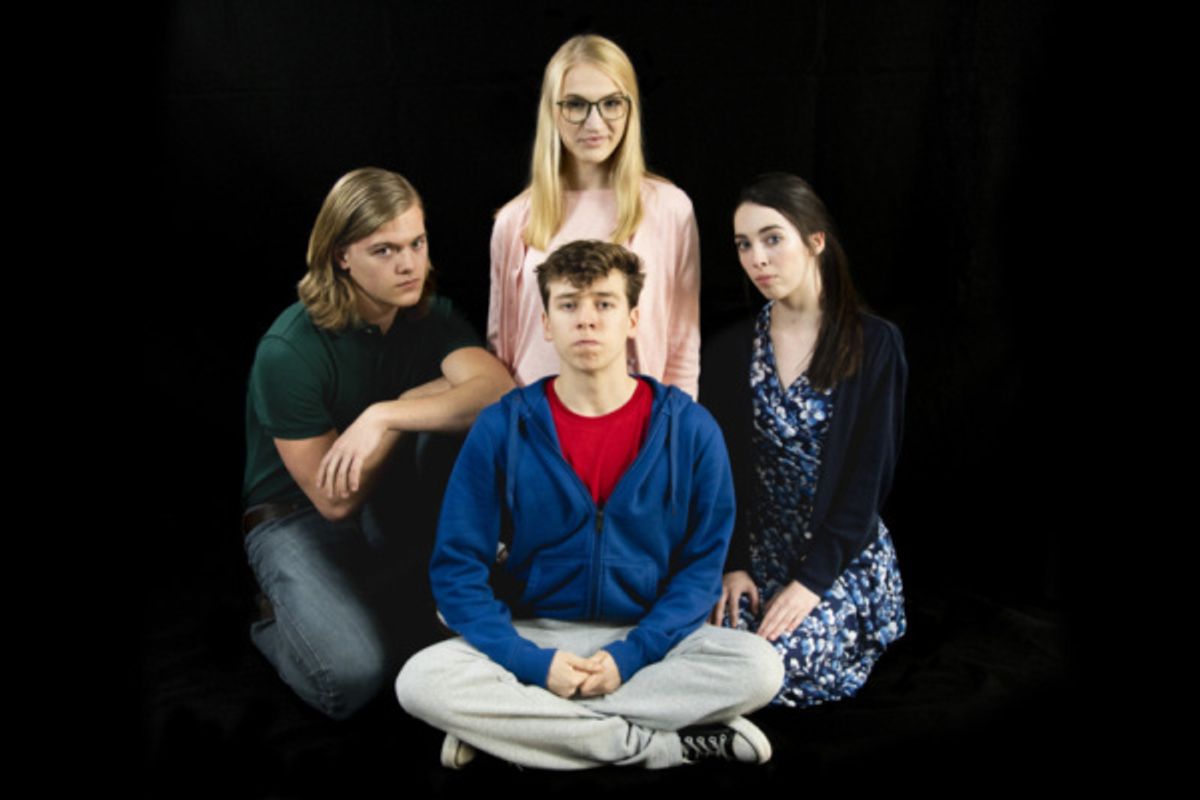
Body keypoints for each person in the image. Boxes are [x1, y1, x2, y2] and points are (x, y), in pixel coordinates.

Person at [397, 240, 782, 769]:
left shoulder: (690, 429)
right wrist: (529, 663)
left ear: (633, 318)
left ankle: (514, 733)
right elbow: (458, 569)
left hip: (649, 639)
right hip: (534, 633)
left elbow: (700, 572)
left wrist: (630, 656)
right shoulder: (503, 427)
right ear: (547, 322)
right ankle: (662, 746)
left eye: (604, 303)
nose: (587, 320)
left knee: (760, 668)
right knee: (419, 681)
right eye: (569, 304)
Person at [242, 167, 514, 719]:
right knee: (349, 678)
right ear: (342, 256)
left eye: (416, 243)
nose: (409, 264)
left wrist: (389, 412)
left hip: (387, 503)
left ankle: (370, 601)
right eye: (384, 250)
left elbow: (497, 392)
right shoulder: (288, 350)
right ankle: (275, 619)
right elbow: (333, 499)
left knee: (448, 633)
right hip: (293, 518)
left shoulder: (427, 316)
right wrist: (403, 416)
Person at [703, 172, 908, 708]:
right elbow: (719, 470)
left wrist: (811, 584)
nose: (757, 259)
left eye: (773, 238)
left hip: (837, 555)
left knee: (776, 666)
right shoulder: (731, 348)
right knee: (706, 649)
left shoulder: (874, 343)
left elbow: (867, 482)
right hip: (757, 552)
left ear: (816, 241)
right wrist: (732, 561)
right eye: (745, 245)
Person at [488, 34, 701, 398]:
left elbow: (682, 344)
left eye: (611, 103)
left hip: (636, 425)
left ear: (630, 108)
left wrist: (672, 432)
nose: (594, 122)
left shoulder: (670, 208)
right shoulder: (515, 219)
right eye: (575, 104)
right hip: (537, 425)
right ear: (552, 111)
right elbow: (502, 348)